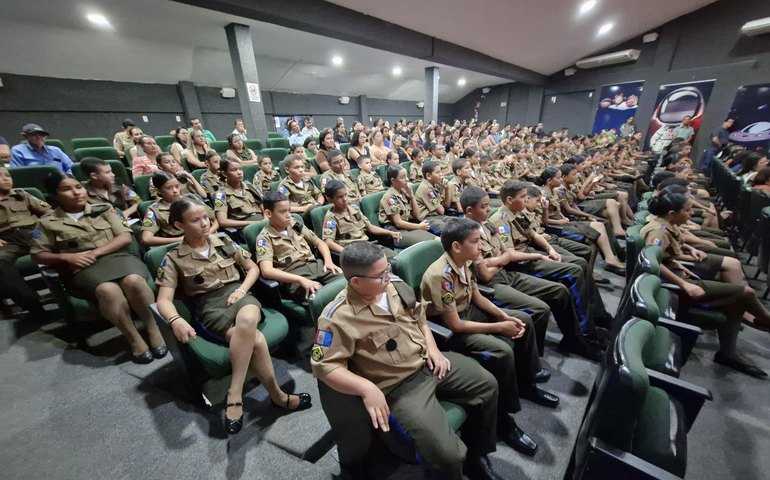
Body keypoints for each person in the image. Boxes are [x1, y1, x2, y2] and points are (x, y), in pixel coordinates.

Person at [312, 241, 506, 480]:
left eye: (387, 270)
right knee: (447, 455)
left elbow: (418, 315)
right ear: (356, 282)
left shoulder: (393, 284)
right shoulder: (337, 318)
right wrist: (366, 388)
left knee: (488, 384)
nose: (388, 277)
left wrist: (433, 348)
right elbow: (325, 367)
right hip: (400, 386)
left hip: (428, 362)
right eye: (380, 275)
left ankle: (476, 457)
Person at [155, 196, 310, 435]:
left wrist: (241, 290)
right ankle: (278, 397)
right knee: (256, 340)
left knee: (247, 319)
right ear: (179, 225)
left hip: (240, 296)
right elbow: (163, 300)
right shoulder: (174, 258)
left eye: (205, 217)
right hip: (209, 307)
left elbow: (252, 268)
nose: (205, 223)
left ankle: (234, 394)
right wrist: (175, 320)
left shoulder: (224, 241)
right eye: (195, 220)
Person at [421, 218, 560, 456]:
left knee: (523, 319)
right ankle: (504, 421)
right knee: (501, 351)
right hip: (450, 329)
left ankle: (527, 384)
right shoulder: (440, 276)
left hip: (468, 310)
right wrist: (499, 327)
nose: (481, 247)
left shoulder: (465, 261)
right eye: (475, 242)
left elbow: (476, 296)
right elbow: (455, 324)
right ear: (457, 246)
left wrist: (504, 316)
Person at [32, 172, 166, 363]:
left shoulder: (104, 209)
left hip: (118, 258)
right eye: (66, 189)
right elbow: (37, 254)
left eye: (78, 187)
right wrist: (67, 257)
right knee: (108, 290)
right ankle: (134, 338)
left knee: (134, 281)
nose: (76, 192)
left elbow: (125, 237)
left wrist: (95, 252)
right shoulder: (47, 222)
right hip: (83, 268)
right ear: (54, 195)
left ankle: (154, 329)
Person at [641, 192, 770, 377]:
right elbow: (651, 261)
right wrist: (684, 284)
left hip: (682, 273)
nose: (691, 213)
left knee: (736, 300)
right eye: (687, 210)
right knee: (747, 293)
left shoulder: (666, 225)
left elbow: (668, 253)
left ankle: (729, 353)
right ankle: (765, 320)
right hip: (676, 284)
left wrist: (686, 253)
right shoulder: (658, 231)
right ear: (671, 213)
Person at [461, 187, 587, 357]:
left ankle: (574, 340)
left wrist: (498, 261)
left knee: (559, 291)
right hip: (491, 286)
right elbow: (485, 274)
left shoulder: (487, 224)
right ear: (470, 210)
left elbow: (507, 253)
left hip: (506, 273)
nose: (489, 209)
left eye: (488, 205)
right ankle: (534, 357)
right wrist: (503, 260)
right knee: (541, 309)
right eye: (484, 206)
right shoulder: (465, 235)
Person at [488, 180, 604, 360]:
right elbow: (511, 254)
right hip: (520, 262)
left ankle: (596, 314)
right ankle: (585, 332)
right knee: (572, 272)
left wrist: (550, 249)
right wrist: (540, 256)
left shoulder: (518, 212)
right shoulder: (500, 220)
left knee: (580, 263)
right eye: (523, 197)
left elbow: (533, 234)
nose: (526, 200)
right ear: (510, 200)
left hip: (530, 252)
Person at [255, 191, 342, 302]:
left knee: (348, 283)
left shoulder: (295, 224)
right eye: (283, 212)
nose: (288, 215)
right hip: (294, 275)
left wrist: (328, 261)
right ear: (268, 213)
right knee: (322, 297)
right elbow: (267, 271)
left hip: (317, 266)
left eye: (289, 210)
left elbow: (320, 243)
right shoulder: (264, 238)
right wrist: (300, 280)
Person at [0, 165, 52, 318]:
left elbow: (48, 211)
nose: (6, 179)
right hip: (8, 240)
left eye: (7, 175)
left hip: (34, 232)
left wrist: (48, 225)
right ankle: (32, 303)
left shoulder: (22, 195)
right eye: (0, 176)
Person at [321, 180, 398, 260]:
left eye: (345, 195)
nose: (345, 199)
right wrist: (346, 252)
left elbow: (370, 228)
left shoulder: (354, 208)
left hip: (368, 245)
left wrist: (390, 232)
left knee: (397, 259)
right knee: (383, 264)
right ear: (330, 199)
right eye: (340, 197)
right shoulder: (331, 217)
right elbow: (329, 242)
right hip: (353, 251)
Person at [142, 172, 218, 247]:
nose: (175, 190)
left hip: (205, 238)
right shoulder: (154, 209)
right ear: (159, 191)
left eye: (177, 186)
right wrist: (180, 239)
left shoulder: (192, 199)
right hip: (180, 245)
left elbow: (216, 220)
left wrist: (207, 233)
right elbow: (147, 239)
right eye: (169, 188)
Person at [379, 165, 436, 248]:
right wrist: (419, 226)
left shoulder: (403, 192)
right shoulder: (389, 197)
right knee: (431, 242)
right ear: (393, 180)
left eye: (406, 176)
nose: (407, 179)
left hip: (406, 225)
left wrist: (412, 197)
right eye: (402, 177)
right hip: (395, 232)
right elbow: (398, 223)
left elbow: (417, 215)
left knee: (435, 239)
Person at [214, 157, 264, 228]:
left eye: (240, 169)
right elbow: (223, 221)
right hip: (246, 227)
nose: (239, 172)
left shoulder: (249, 186)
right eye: (234, 170)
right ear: (224, 174)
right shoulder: (221, 194)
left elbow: (264, 207)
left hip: (263, 222)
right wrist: (252, 223)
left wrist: (266, 219)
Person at [277, 155, 324, 220]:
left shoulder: (307, 179)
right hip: (301, 214)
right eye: (296, 167)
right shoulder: (284, 186)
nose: (301, 170)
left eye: (302, 167)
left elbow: (319, 195)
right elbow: (283, 207)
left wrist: (319, 204)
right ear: (287, 170)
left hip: (315, 209)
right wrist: (303, 208)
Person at [414, 161, 452, 232]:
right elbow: (441, 211)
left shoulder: (435, 184)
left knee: (460, 222)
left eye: (441, 171)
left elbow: (447, 205)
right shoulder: (426, 188)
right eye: (437, 172)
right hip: (428, 219)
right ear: (428, 176)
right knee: (451, 230)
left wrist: (447, 189)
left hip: (438, 216)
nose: (441, 175)